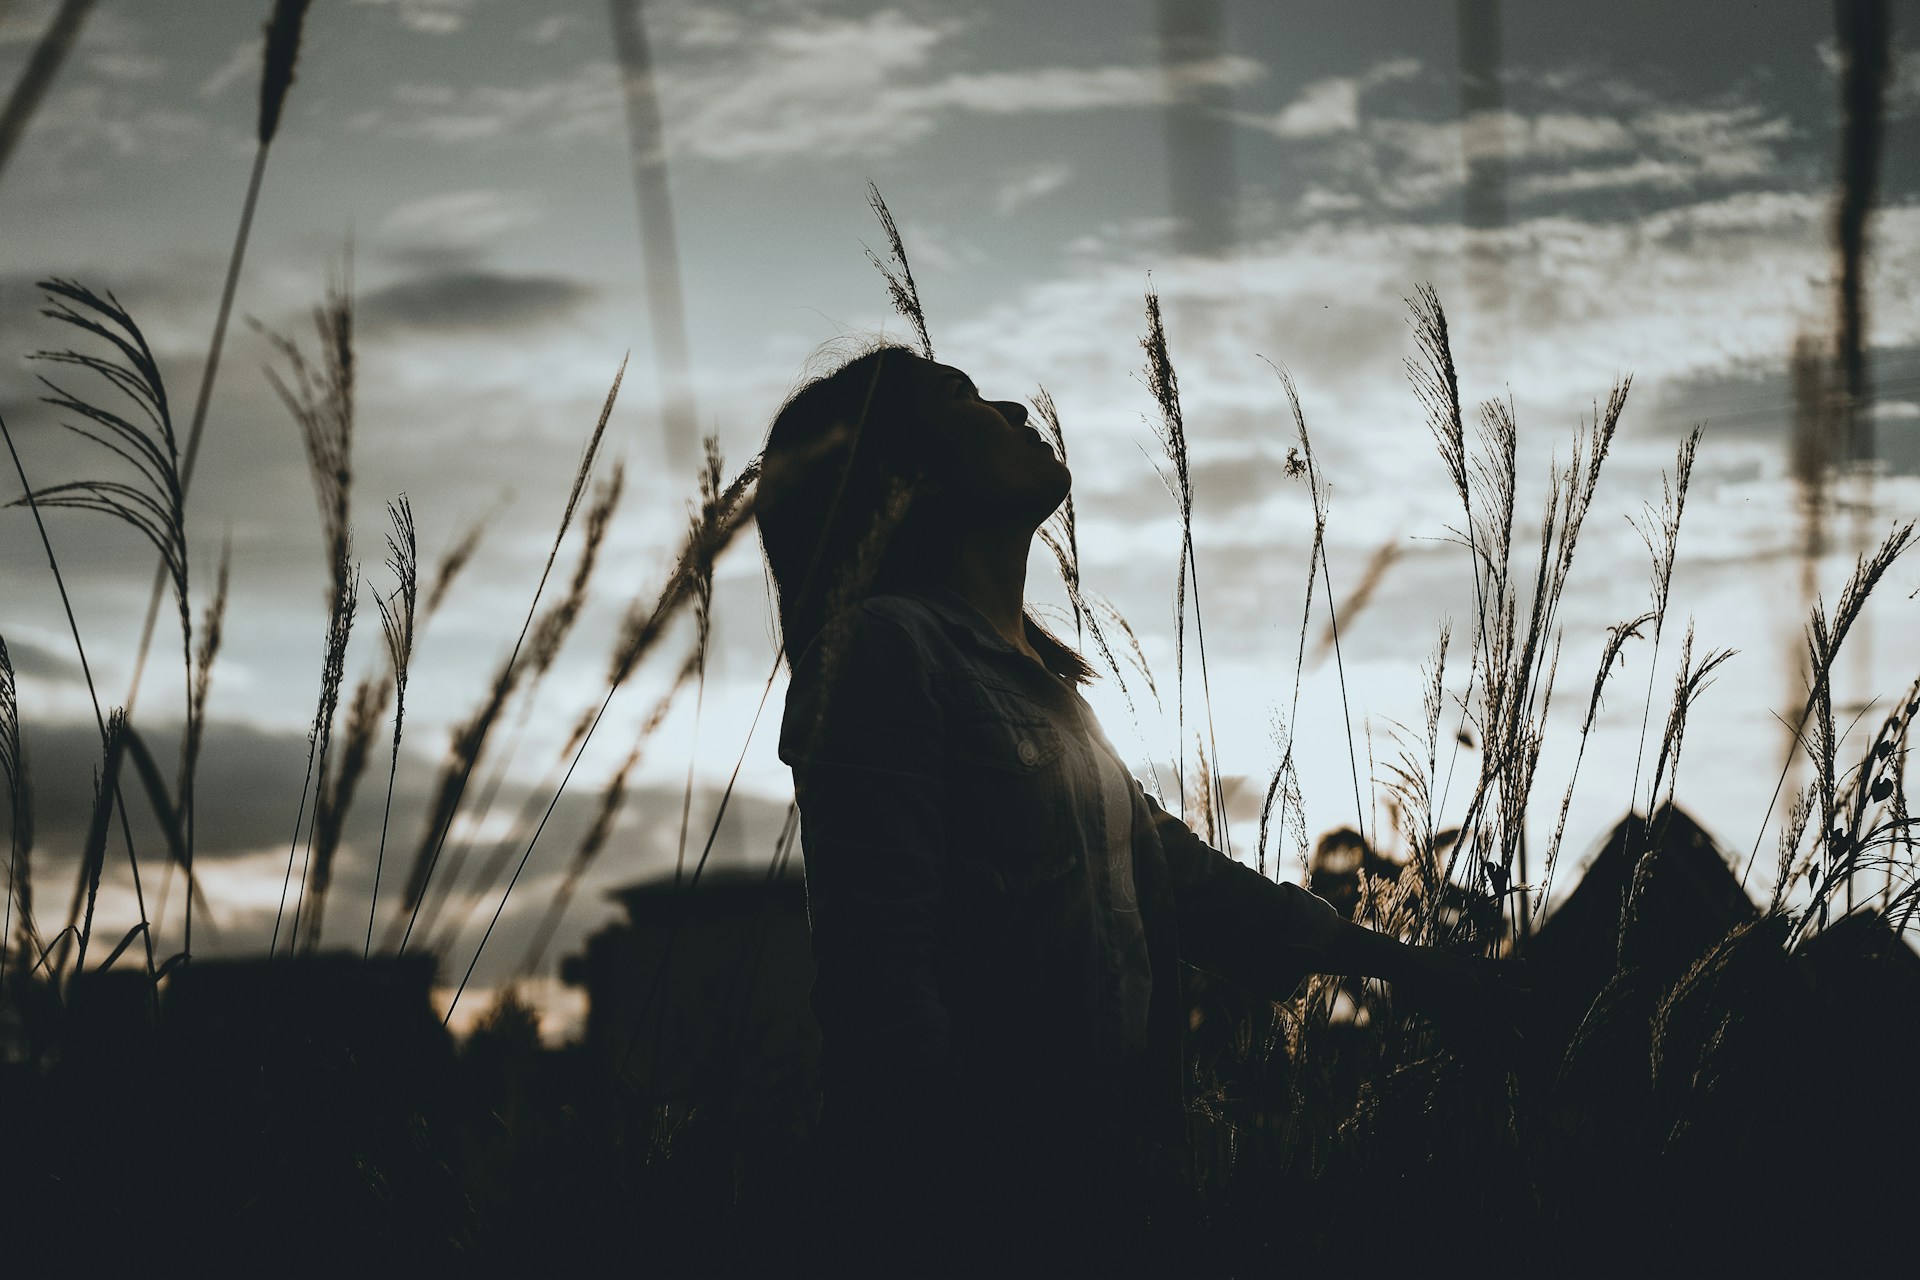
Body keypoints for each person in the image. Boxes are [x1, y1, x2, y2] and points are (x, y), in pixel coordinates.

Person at [756, 341, 1522, 1276]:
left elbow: (1185, 878)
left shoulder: (1051, 696)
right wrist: (963, 1199)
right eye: (961, 396)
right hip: (982, 1206)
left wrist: (1404, 965)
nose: (1012, 406)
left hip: (1096, 1192)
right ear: (906, 472)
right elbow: (881, 981)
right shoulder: (886, 648)